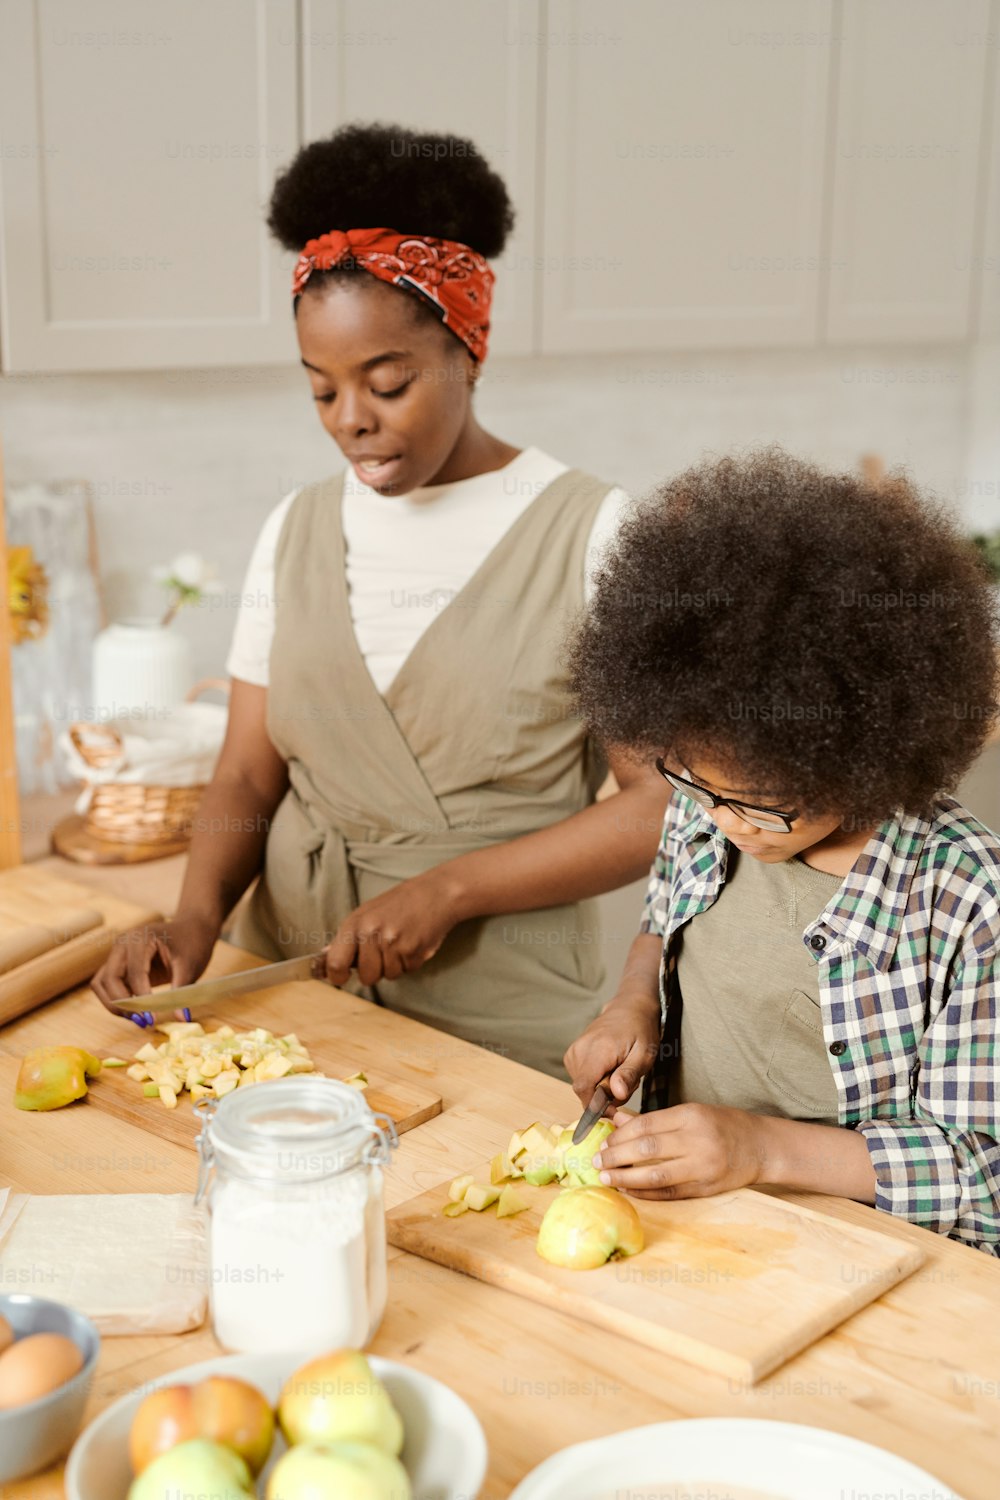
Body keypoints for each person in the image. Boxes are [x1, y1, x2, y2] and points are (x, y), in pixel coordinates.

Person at [92, 122, 668, 1077]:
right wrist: (193, 920)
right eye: (321, 391)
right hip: (286, 991)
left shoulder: (592, 532)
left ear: (468, 352)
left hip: (500, 1012)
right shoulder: (296, 528)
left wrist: (451, 890)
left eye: (387, 382)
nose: (352, 419)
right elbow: (245, 773)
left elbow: (658, 808)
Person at [564, 447, 1000, 1253]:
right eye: (694, 783)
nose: (726, 823)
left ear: (867, 753)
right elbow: (662, 920)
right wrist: (633, 1003)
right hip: (686, 1226)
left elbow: (982, 1179)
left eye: (763, 807)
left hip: (860, 1259)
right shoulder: (707, 795)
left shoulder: (966, 900)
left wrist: (757, 1147)